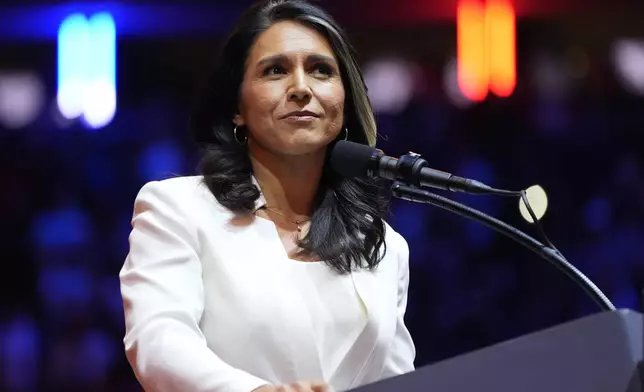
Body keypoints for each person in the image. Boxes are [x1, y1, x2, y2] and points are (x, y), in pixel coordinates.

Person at [119, 0, 415, 391]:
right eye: (275, 70)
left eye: (320, 70)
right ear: (237, 108)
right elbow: (159, 341)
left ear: (344, 99)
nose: (301, 88)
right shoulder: (177, 209)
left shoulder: (382, 246)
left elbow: (398, 378)